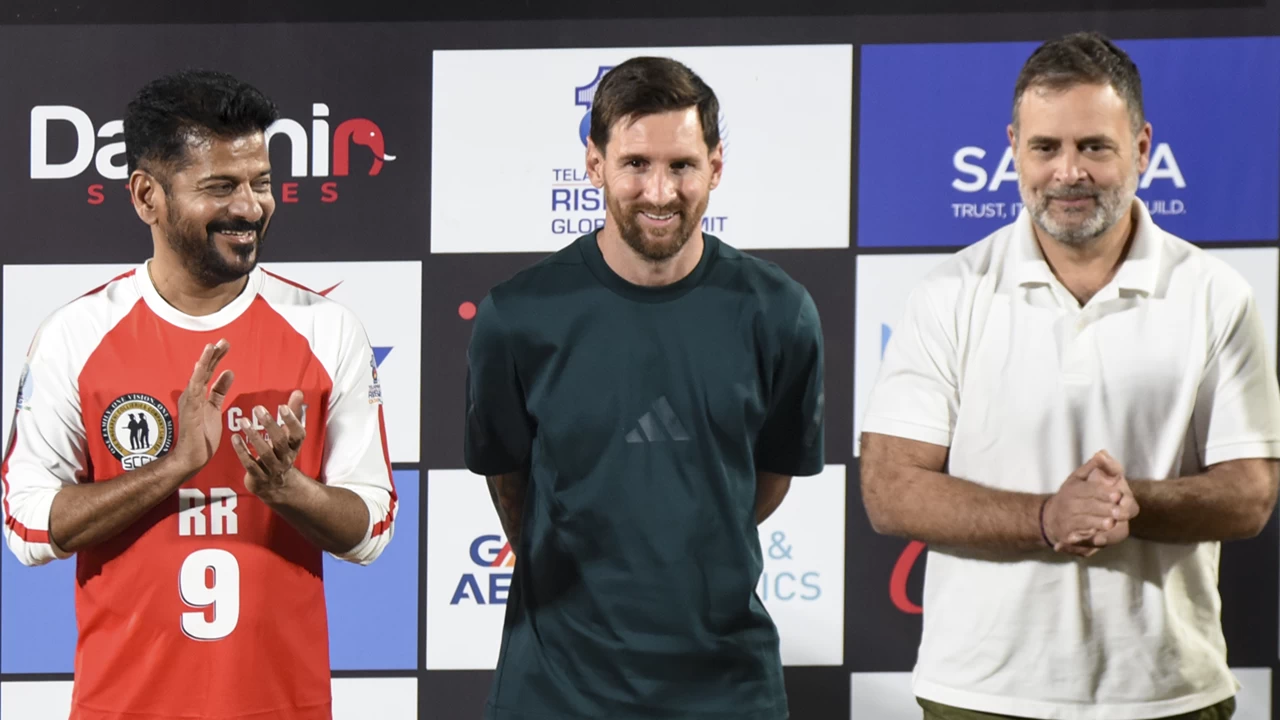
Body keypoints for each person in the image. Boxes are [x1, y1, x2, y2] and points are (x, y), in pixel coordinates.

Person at [860, 30, 1280, 720]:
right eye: (1045, 147)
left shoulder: (1216, 294)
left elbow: (1250, 496)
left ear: (1141, 148)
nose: (1068, 172)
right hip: (979, 693)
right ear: (1014, 149)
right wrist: (1048, 518)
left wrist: (1128, 502)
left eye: (1094, 146)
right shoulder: (947, 292)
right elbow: (889, 489)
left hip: (1167, 692)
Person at [1, 69, 398, 720]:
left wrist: (287, 489)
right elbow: (26, 527)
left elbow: (373, 530)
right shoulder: (75, 337)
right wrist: (174, 467)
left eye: (261, 183)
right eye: (220, 187)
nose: (249, 207)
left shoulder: (327, 331)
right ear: (146, 196)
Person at [463, 56, 826, 720]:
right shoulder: (517, 316)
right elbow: (509, 484)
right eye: (635, 164)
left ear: (716, 166)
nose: (659, 192)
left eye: (682, 166)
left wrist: (691, 525)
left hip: (728, 692)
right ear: (594, 163)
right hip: (555, 692)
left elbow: (763, 483)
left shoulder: (779, 312)